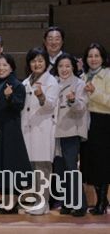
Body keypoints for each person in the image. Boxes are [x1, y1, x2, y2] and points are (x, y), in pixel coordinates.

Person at [0, 53, 32, 214]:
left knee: (10, 165)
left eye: (5, 65)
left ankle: (12, 202)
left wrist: (9, 97)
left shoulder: (17, 85)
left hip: (10, 130)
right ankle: (3, 200)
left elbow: (19, 105)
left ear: (12, 67)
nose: (1, 68)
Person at [21, 47, 59, 215]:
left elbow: (50, 105)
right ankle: (37, 202)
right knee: (32, 169)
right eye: (33, 61)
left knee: (43, 168)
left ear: (46, 63)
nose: (37, 64)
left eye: (40, 61)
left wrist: (41, 96)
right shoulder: (25, 82)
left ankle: (43, 203)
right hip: (28, 129)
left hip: (43, 129)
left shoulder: (51, 81)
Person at [52, 53, 88, 216]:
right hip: (55, 132)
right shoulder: (54, 83)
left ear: (73, 67)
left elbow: (81, 107)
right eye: (61, 66)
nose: (64, 69)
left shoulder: (79, 83)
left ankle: (80, 205)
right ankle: (67, 202)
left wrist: (73, 101)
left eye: (67, 66)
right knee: (60, 170)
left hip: (71, 131)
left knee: (71, 168)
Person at [81, 42, 110, 215]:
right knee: (90, 161)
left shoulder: (108, 74)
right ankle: (101, 199)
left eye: (96, 56)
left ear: (103, 58)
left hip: (103, 122)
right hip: (86, 121)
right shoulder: (83, 76)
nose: (93, 59)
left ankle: (102, 201)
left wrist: (94, 93)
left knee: (102, 162)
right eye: (90, 56)